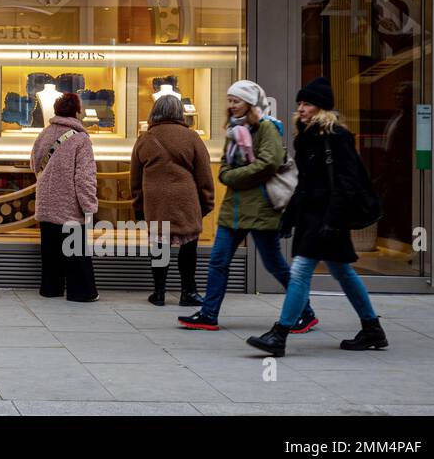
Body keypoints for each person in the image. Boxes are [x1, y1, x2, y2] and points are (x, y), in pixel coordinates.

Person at [247, 77, 388, 357]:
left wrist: (332, 221)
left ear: (321, 108)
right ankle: (372, 328)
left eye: (307, 103)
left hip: (328, 219)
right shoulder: (307, 138)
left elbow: (346, 183)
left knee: (299, 272)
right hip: (313, 217)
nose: (300, 108)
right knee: (342, 272)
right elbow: (305, 183)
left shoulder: (337, 137)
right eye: (300, 103)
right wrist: (288, 218)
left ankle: (280, 334)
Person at [179, 80, 317, 333]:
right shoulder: (234, 130)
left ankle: (305, 312)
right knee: (218, 261)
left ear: (250, 104)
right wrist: (230, 174)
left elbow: (269, 162)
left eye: (236, 101)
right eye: (229, 101)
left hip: (261, 208)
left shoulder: (267, 128)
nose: (231, 106)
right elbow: (224, 167)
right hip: (234, 208)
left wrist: (234, 176)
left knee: (274, 263)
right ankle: (209, 314)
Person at [130, 94, 214, 306]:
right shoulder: (192, 137)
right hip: (186, 199)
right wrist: (207, 202)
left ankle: (159, 293)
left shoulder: (145, 139)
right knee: (188, 248)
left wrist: (139, 205)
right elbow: (204, 174)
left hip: (156, 200)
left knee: (160, 246)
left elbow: (135, 178)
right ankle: (189, 292)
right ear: (179, 112)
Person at [30, 92, 99, 302]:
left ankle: (51, 289)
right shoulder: (81, 139)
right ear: (77, 111)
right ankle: (81, 292)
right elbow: (85, 178)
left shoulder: (45, 132)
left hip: (46, 203)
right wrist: (90, 207)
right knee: (76, 252)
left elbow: (34, 163)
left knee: (50, 252)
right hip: (70, 205)